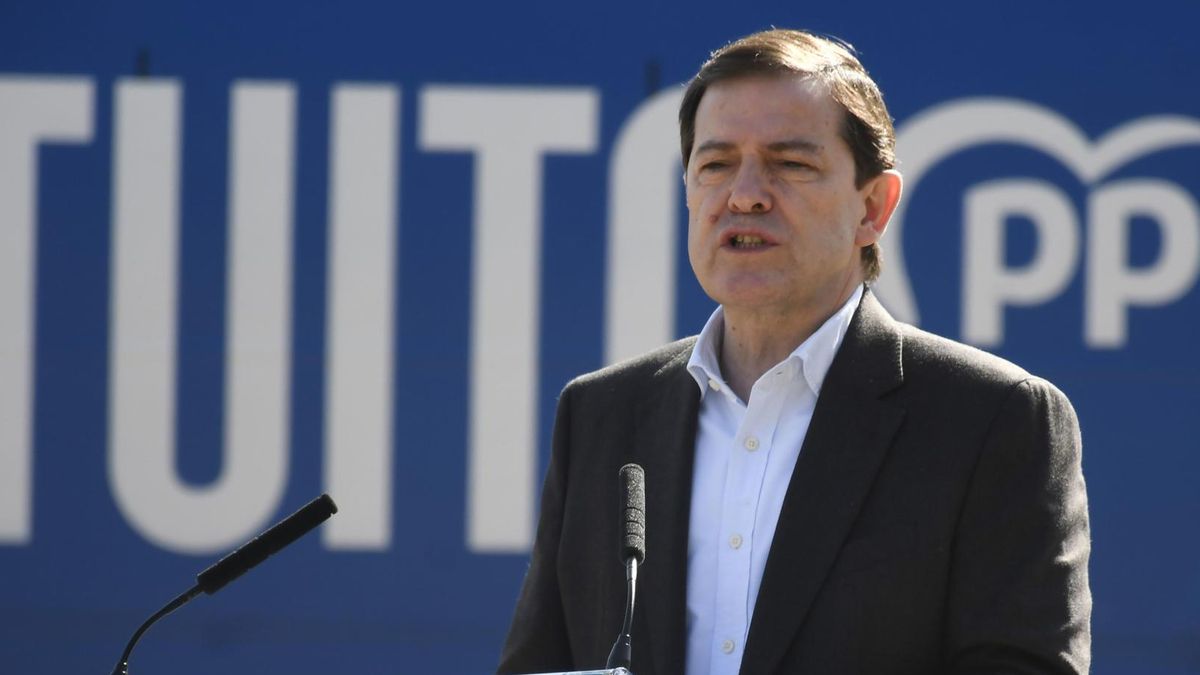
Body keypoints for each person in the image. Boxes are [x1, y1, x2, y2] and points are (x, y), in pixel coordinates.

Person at [497, 28, 1091, 675]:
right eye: (716, 164)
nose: (745, 193)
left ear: (873, 206)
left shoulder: (990, 420)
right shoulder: (601, 416)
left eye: (790, 163)